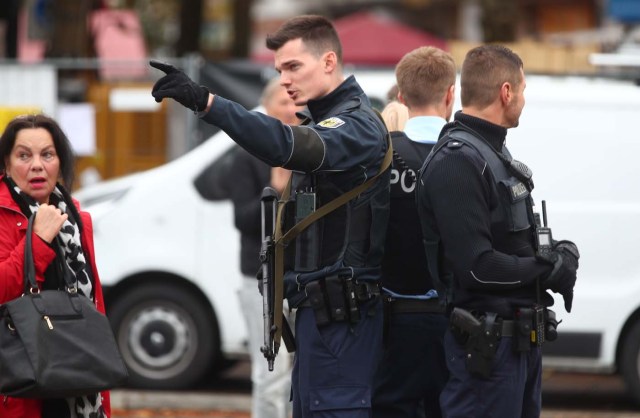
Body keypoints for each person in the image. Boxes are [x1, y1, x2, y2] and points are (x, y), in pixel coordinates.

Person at [150, 14, 390, 418]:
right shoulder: (324, 120)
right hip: (320, 319)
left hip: (343, 322)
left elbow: (288, 146)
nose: (284, 80)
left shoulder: (357, 126)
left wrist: (208, 102)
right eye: (280, 70)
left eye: (294, 66)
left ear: (329, 62)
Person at [416, 44, 579, 417]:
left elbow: (516, 240)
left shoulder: (495, 155)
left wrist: (559, 252)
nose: (523, 99)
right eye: (522, 89)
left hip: (518, 345)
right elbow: (478, 267)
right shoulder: (458, 160)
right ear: (506, 92)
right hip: (487, 356)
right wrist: (546, 266)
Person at [0, 114, 111, 418]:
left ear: (59, 162)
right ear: (7, 165)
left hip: (76, 381)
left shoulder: (75, 218)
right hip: (19, 386)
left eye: (47, 154)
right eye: (24, 155)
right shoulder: (2, 216)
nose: (37, 165)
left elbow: (91, 304)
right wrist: (36, 240)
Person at [372, 46, 456, 418]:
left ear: (401, 97)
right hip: (455, 320)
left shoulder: (379, 157)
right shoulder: (467, 155)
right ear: (451, 94)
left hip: (391, 319)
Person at [231, 77, 302, 418]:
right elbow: (242, 220)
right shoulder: (246, 154)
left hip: (301, 275)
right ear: (265, 109)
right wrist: (273, 188)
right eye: (282, 103)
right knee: (270, 372)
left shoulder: (309, 150)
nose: (291, 110)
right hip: (259, 279)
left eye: (294, 102)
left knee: (301, 374)